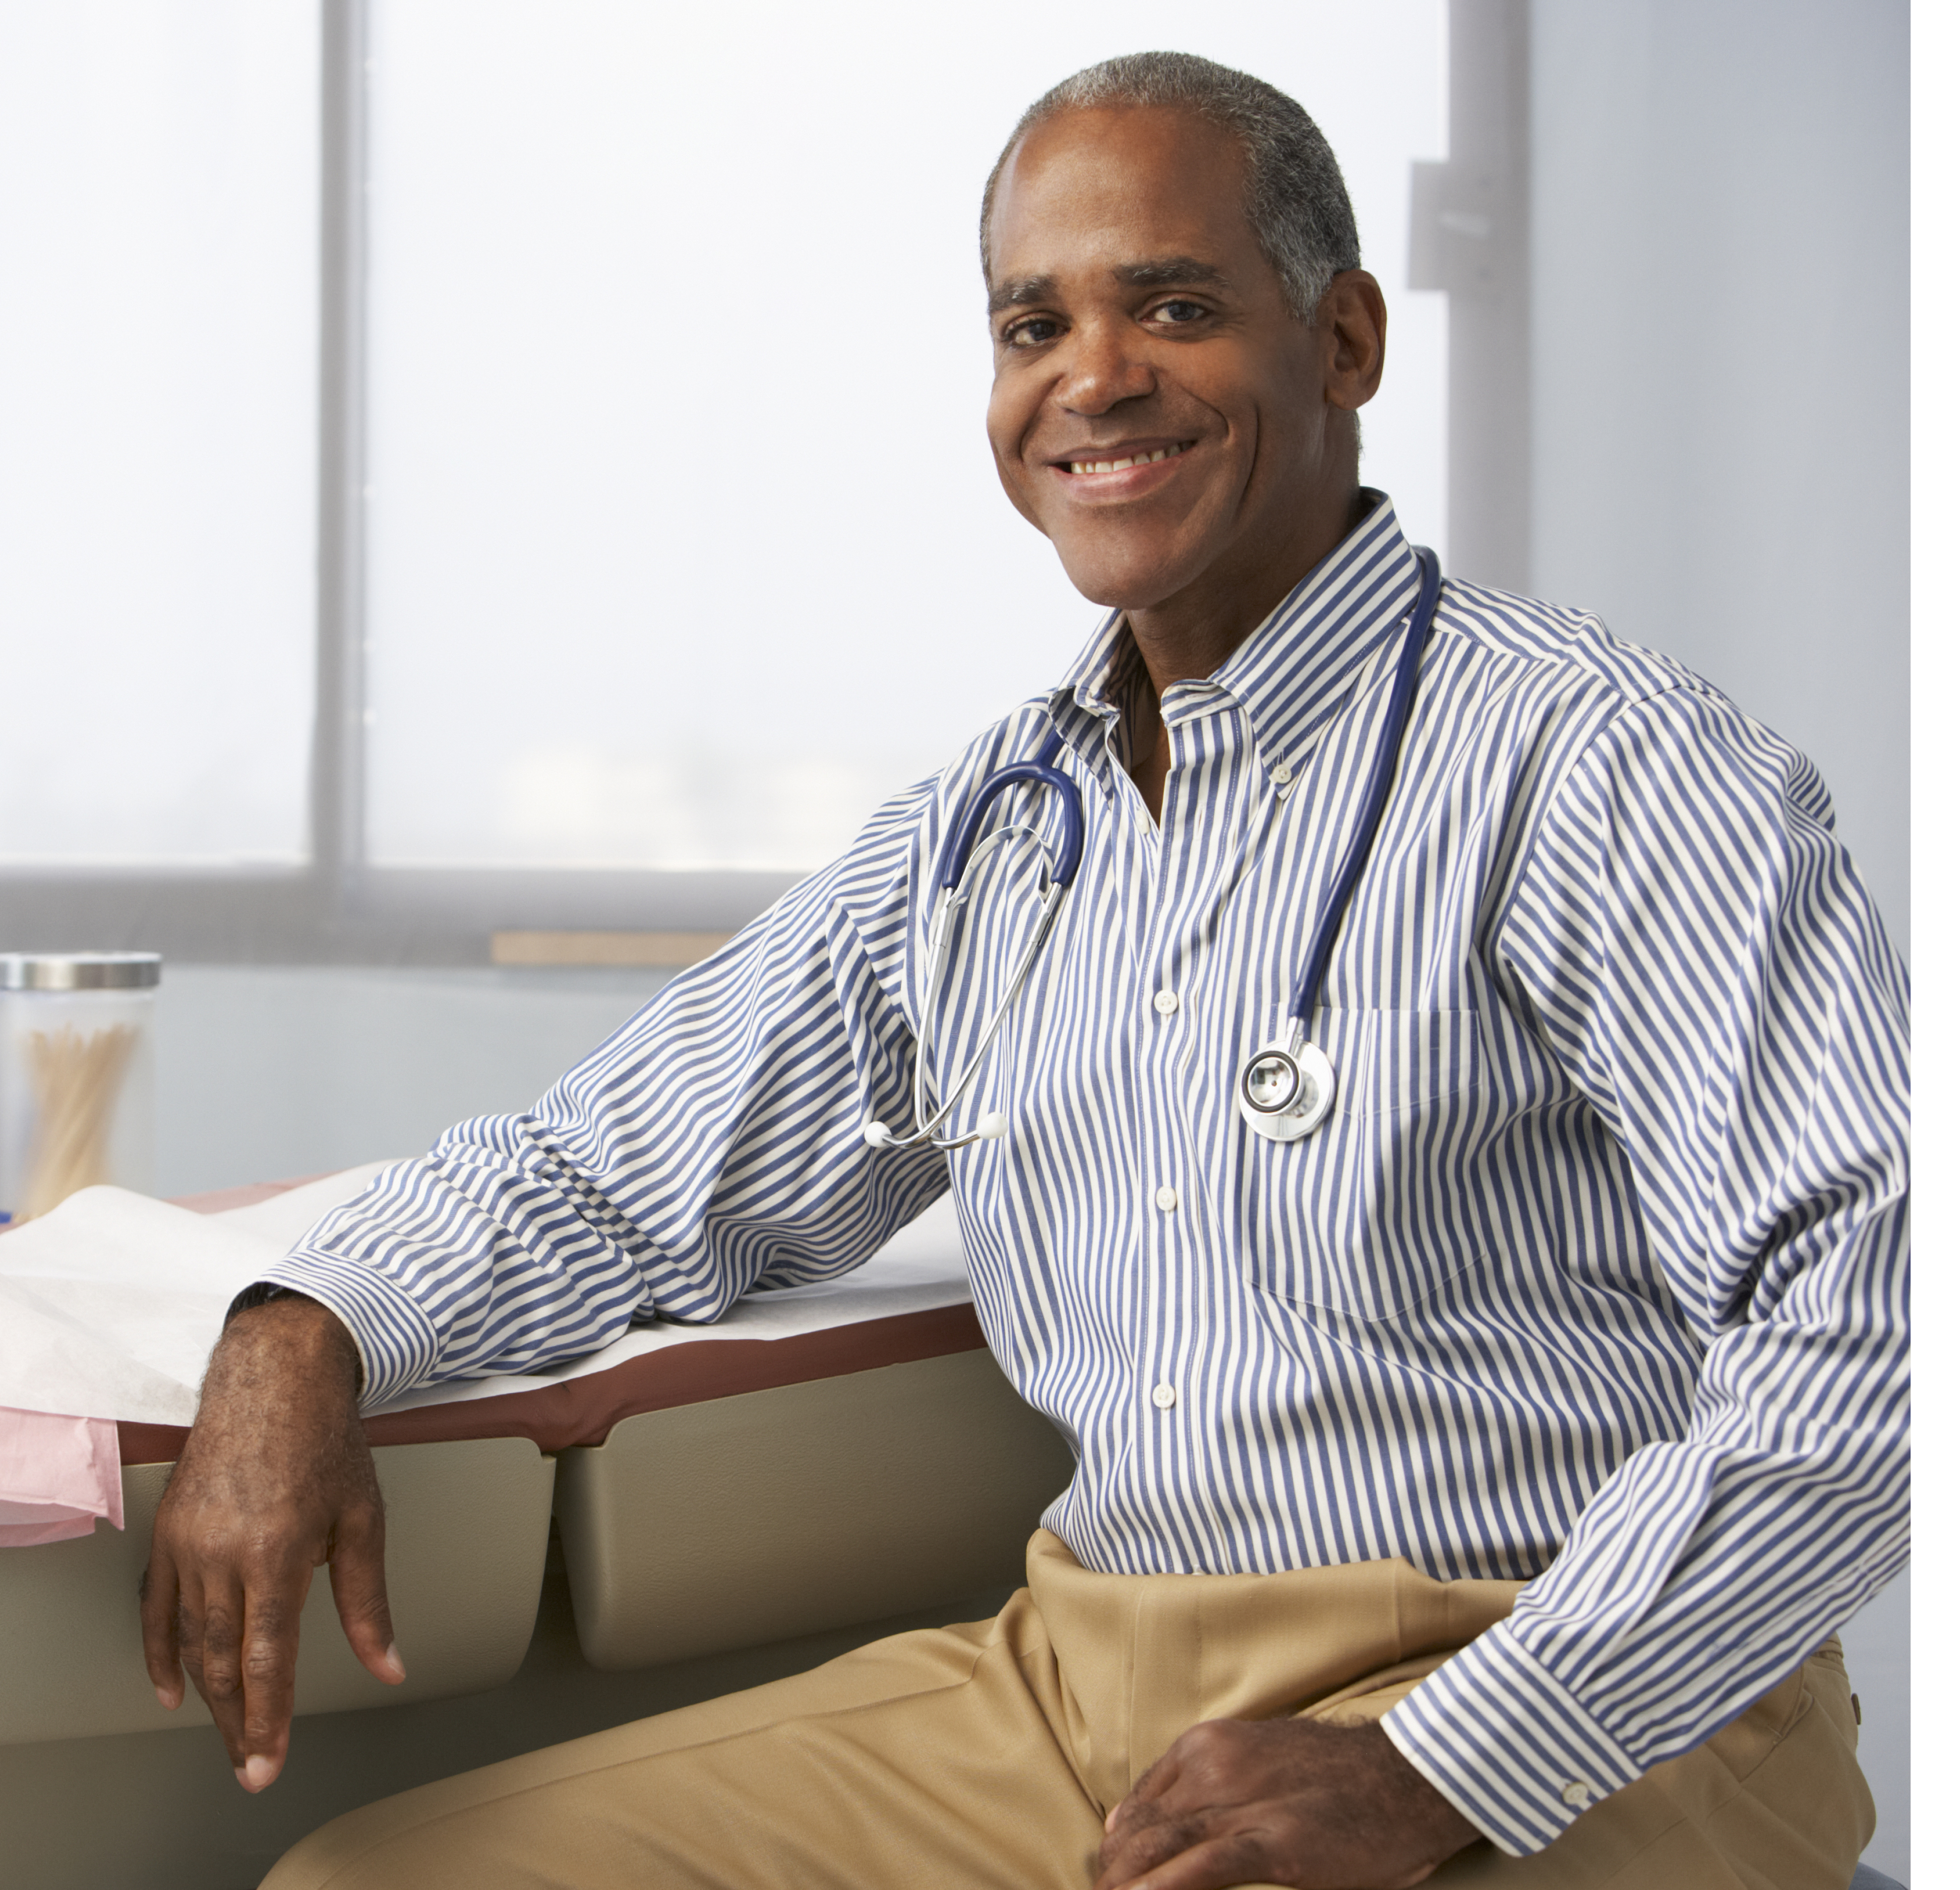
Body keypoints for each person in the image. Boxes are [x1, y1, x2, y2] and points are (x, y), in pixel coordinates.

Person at [142, 50, 1907, 1890]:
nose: (1094, 378)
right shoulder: (989, 840)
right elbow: (613, 1174)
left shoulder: (1612, 765)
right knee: (370, 1887)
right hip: (1088, 1695)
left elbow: (1880, 1331)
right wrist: (300, 1335)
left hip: (1564, 1698)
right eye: (1030, 322)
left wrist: (1447, 1761)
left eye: (1176, 304)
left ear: (1347, 343)